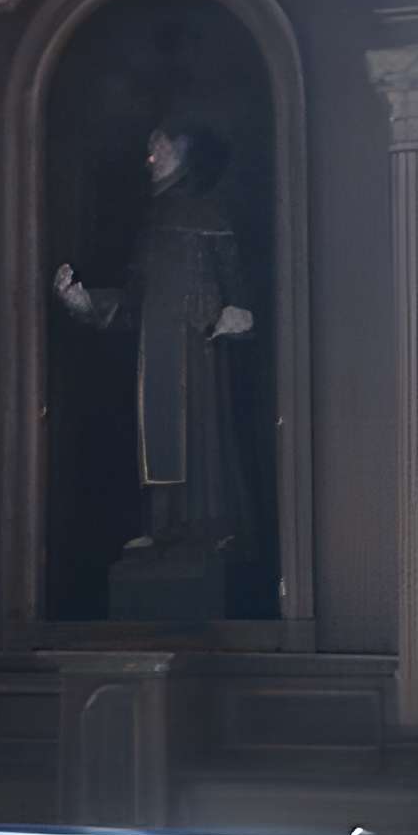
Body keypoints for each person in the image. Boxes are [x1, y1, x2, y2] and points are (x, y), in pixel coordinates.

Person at [52, 125, 257, 555]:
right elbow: (134, 301)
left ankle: (208, 527)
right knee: (159, 436)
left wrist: (234, 312)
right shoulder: (152, 218)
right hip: (157, 346)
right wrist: (83, 300)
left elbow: (235, 280)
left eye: (160, 144)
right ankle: (163, 527)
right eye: (150, 145)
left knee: (201, 433)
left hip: (197, 341)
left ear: (183, 150)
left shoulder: (206, 209)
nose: (151, 153)